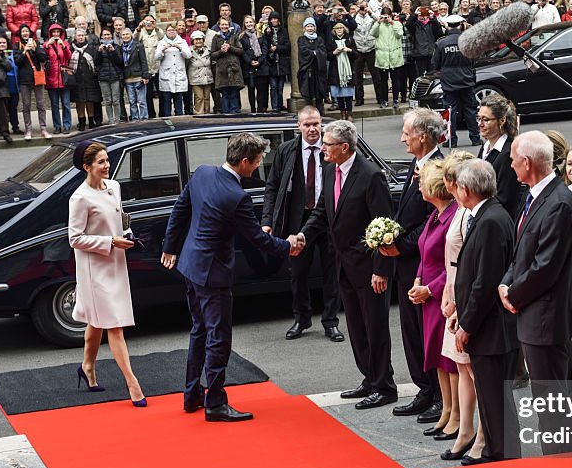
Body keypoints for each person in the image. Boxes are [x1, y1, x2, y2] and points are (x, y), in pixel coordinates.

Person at [162, 133, 298, 421]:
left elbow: (180, 210)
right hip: (213, 275)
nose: (258, 167)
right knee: (218, 337)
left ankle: (192, 394)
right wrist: (288, 246)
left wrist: (170, 247)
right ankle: (215, 402)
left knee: (199, 330)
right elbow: (258, 240)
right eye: (258, 162)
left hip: (191, 266)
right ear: (245, 161)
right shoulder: (238, 196)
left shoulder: (202, 173)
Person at [297, 120, 397, 410]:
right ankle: (369, 377)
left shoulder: (370, 175)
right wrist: (304, 235)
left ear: (344, 147)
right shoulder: (331, 170)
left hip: (369, 267)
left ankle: (384, 385)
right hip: (343, 263)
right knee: (355, 324)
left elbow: (384, 224)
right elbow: (322, 212)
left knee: (375, 326)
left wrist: (381, 268)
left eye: (327, 144)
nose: (322, 148)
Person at [499, 131, 572, 453]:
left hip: (546, 318)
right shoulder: (534, 195)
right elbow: (522, 251)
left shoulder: (558, 203)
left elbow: (546, 266)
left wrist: (513, 295)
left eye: (514, 160)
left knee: (552, 402)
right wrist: (506, 282)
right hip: (534, 314)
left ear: (527, 163)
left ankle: (563, 466)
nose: (512, 165)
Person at [67, 141, 146, 407]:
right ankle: (132, 383)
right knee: (114, 324)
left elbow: (118, 218)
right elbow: (74, 238)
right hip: (95, 269)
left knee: (97, 321)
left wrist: (126, 236)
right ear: (86, 167)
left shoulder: (114, 187)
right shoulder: (79, 198)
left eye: (107, 160)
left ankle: (87, 367)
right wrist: (110, 242)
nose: (107, 166)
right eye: (100, 162)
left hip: (115, 262)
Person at [380, 109, 446, 420]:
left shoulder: (438, 167)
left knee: (428, 332)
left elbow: (435, 219)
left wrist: (401, 245)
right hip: (407, 265)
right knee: (411, 331)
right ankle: (424, 388)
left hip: (425, 265)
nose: (402, 138)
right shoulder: (416, 164)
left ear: (422, 136)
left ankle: (438, 393)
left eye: (407, 133)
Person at [453, 159, 519, 465]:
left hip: (491, 327)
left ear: (466, 190)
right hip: (490, 325)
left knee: (494, 397)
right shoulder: (489, 214)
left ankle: (499, 452)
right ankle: (497, 449)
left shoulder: (491, 220)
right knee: (493, 396)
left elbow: (485, 281)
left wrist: (467, 324)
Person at [262, 106, 342, 343]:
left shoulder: (330, 150)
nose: (312, 129)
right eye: (307, 125)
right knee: (297, 273)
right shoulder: (288, 150)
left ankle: (331, 322)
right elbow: (272, 187)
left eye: (316, 124)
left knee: (331, 271)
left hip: (328, 219)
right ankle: (302, 318)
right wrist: (267, 220)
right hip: (298, 220)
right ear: (298, 127)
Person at [409, 159, 460, 439]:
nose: (418, 187)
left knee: (449, 360)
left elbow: (451, 263)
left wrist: (430, 289)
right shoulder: (435, 214)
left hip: (442, 296)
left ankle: (456, 415)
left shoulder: (452, 216)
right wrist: (418, 280)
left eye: (422, 182)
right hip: (429, 296)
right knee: (436, 357)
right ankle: (446, 411)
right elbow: (425, 251)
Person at [438, 151, 482, 460]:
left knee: (472, 369)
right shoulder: (460, 211)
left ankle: (478, 432)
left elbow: (467, 262)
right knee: (462, 367)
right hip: (454, 293)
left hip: (462, 296)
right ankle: (465, 429)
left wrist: (456, 301)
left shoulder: (469, 214)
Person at [433, 15, 481, 148]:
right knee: (470, 110)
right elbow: (473, 61)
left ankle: (451, 140)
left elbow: (435, 64)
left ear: (448, 26)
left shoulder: (441, 43)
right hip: (466, 80)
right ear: (461, 24)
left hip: (449, 83)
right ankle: (475, 138)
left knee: (450, 112)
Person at [476, 94, 522, 218]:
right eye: (478, 118)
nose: (480, 124)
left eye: (486, 120)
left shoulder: (508, 154)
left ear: (502, 120)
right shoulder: (485, 147)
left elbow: (505, 199)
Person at [15, 27, 51, 139]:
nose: (25, 33)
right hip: (24, 80)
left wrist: (35, 49)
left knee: (41, 104)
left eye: (27, 31)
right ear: (20, 34)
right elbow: (18, 62)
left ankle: (43, 129)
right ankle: (28, 130)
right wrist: (24, 50)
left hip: (37, 78)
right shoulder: (17, 46)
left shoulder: (36, 43)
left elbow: (43, 57)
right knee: (26, 105)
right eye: (23, 32)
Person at [152, 24, 188, 117]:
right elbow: (156, 57)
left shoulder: (182, 42)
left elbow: (188, 55)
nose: (171, 32)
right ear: (166, 32)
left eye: (173, 30)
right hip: (166, 77)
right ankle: (168, 120)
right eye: (169, 30)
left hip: (178, 76)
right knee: (166, 101)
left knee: (178, 101)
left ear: (176, 31)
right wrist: (163, 49)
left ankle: (179, 120)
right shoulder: (161, 42)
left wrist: (180, 48)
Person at [68, 29, 100, 131]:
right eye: (79, 35)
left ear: (85, 36)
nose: (81, 37)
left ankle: (91, 121)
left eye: (82, 35)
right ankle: (81, 121)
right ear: (75, 37)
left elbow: (96, 61)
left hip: (90, 79)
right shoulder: (71, 48)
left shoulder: (91, 48)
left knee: (89, 100)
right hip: (76, 79)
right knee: (79, 102)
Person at [372, 9, 405, 109]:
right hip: (382, 57)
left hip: (395, 56)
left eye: (387, 16)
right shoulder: (379, 24)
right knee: (383, 81)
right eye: (384, 16)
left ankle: (395, 99)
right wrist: (378, 22)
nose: (386, 18)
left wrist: (392, 23)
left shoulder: (397, 24)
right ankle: (384, 100)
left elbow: (399, 34)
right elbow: (373, 33)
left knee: (396, 80)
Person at [43, 24, 72, 134]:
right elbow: (43, 57)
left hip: (64, 77)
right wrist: (47, 46)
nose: (56, 34)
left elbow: (69, 57)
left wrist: (64, 47)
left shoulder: (65, 43)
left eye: (58, 32)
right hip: (51, 78)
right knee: (54, 104)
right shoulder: (47, 44)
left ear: (61, 33)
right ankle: (57, 126)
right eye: (54, 32)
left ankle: (67, 125)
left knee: (66, 103)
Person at [212, 18, 245, 114]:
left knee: (234, 93)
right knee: (225, 93)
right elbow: (213, 55)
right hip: (222, 70)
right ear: (219, 26)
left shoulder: (234, 36)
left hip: (233, 69)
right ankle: (226, 112)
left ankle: (234, 111)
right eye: (222, 25)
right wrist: (221, 51)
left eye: (226, 24)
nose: (224, 26)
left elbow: (240, 51)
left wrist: (230, 48)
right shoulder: (216, 38)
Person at [134, 15, 164, 117]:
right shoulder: (141, 32)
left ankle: (163, 113)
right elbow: (134, 39)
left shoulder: (157, 32)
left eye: (151, 21)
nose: (149, 23)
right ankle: (151, 114)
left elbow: (162, 37)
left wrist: (156, 27)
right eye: (147, 21)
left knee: (161, 93)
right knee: (148, 94)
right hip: (146, 69)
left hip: (158, 67)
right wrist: (139, 27)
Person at [240, 15, 271, 114]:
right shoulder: (242, 36)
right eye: (247, 22)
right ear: (244, 24)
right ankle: (253, 110)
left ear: (254, 23)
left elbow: (265, 50)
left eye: (250, 22)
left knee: (261, 90)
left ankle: (260, 110)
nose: (249, 24)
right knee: (251, 90)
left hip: (261, 66)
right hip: (249, 67)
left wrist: (260, 61)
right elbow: (243, 51)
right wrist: (250, 61)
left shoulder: (261, 35)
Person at [328, 22, 355, 119]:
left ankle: (349, 113)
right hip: (336, 70)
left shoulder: (350, 39)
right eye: (337, 28)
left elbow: (356, 55)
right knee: (338, 93)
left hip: (348, 70)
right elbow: (327, 56)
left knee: (348, 93)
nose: (339, 30)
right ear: (334, 30)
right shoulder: (330, 40)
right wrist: (334, 52)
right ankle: (342, 113)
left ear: (344, 29)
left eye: (341, 28)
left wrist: (349, 50)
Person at [408, 6, 443, 79]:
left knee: (433, 76)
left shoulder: (432, 23)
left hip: (431, 53)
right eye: (420, 15)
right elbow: (408, 25)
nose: (422, 16)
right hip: (419, 54)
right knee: (420, 76)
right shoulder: (415, 24)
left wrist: (433, 18)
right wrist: (414, 15)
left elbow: (439, 32)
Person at [267, 12, 291, 113]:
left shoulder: (284, 31)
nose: (274, 21)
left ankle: (280, 104)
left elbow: (287, 47)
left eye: (275, 19)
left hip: (281, 62)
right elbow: (264, 46)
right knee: (273, 87)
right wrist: (267, 35)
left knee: (280, 87)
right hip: (271, 62)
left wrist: (277, 48)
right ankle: (274, 106)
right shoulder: (267, 31)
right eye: (272, 19)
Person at [187, 31, 214, 114]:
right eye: (196, 40)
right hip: (195, 78)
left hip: (207, 76)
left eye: (200, 39)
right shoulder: (188, 51)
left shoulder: (208, 50)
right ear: (193, 41)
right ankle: (199, 114)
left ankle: (207, 113)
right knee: (199, 97)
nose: (198, 41)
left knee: (206, 97)